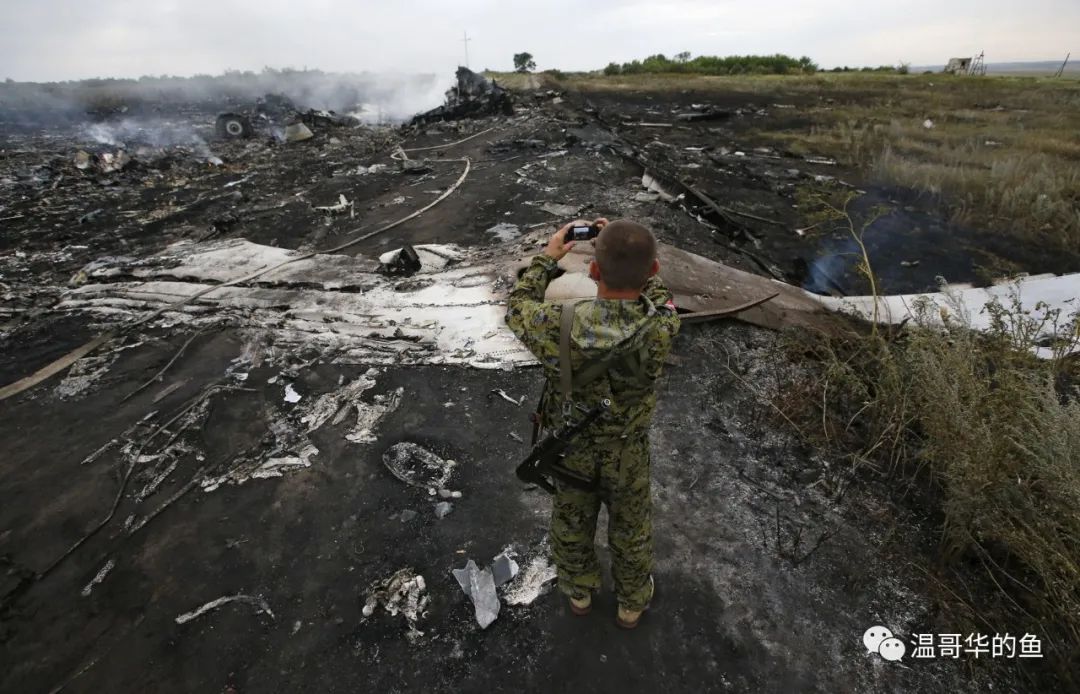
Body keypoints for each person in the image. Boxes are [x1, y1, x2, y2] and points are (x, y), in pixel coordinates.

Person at [505, 217, 680, 628]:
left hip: (571, 450)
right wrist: (634, 256)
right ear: (653, 270)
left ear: (593, 270)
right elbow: (661, 295)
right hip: (628, 451)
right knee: (632, 529)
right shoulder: (663, 326)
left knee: (570, 522)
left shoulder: (556, 324)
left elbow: (517, 306)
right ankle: (631, 604)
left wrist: (549, 256)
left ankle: (580, 593)